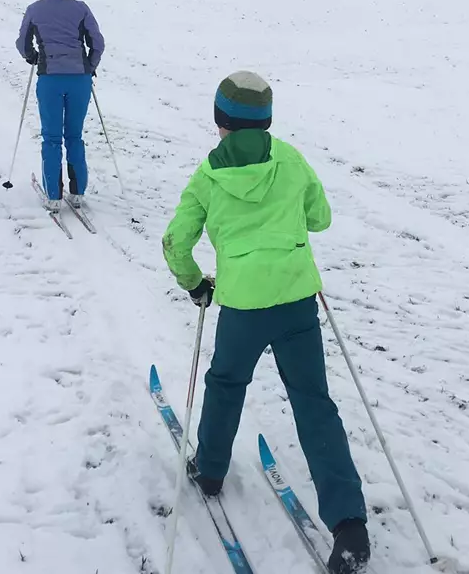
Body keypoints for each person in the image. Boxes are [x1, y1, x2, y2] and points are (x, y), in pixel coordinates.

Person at [162, 71, 371, 574]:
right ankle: (349, 527)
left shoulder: (207, 176)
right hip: (297, 299)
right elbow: (320, 218)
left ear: (219, 121)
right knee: (314, 404)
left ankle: (210, 471)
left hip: (242, 306)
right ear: (268, 119)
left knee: (227, 381)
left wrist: (195, 285)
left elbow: (176, 243)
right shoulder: (291, 159)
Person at [15, 0, 105, 210]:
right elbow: (97, 42)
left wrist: (32, 56)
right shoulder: (81, 8)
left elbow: (22, 43)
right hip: (80, 80)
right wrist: (90, 64)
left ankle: (53, 195)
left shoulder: (34, 10)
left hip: (50, 79)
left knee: (52, 137)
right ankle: (78, 193)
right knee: (74, 136)